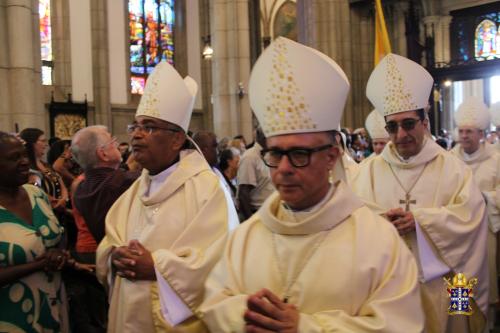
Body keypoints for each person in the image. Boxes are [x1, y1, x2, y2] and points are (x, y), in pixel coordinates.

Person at [201, 37, 423, 332]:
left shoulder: (377, 241)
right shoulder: (245, 237)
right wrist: (251, 319)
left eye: (299, 154)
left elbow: (401, 324)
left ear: (332, 156)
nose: (283, 169)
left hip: (450, 287)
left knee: (461, 305)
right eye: (275, 153)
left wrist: (304, 328)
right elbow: (213, 303)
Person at [352, 53, 489, 333]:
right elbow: (353, 220)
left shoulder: (454, 169)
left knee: (458, 323)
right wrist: (381, 222)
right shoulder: (366, 171)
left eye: (408, 124)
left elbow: (471, 223)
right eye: (393, 127)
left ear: (424, 122)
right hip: (388, 289)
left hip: (449, 282)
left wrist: (420, 221)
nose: (401, 134)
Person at [96, 61, 235, 332]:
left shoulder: (207, 190)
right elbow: (109, 243)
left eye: (148, 127)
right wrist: (114, 257)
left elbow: (219, 263)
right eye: (134, 126)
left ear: (176, 139)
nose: (136, 135)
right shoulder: (136, 188)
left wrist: (157, 267)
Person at [0, 132, 69, 332]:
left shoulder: (37, 194)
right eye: (14, 158)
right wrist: (36, 265)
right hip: (11, 315)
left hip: (53, 306)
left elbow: (55, 235)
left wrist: (60, 253)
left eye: (24, 156)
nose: (24, 163)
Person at [451, 97, 500, 327]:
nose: (464, 136)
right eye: (461, 131)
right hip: (456, 231)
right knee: (458, 277)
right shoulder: (448, 160)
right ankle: (459, 322)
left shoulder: (495, 160)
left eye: (469, 131)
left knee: (485, 278)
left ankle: (485, 324)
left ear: (481, 134)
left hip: (485, 230)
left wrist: (486, 198)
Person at [71, 126, 140, 244]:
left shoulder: (81, 189)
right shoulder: (123, 182)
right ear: (103, 154)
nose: (117, 144)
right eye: (112, 142)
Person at [192, 130, 239, 225]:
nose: (218, 151)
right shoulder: (196, 177)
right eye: (214, 146)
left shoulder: (216, 171)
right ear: (203, 150)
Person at [237, 126, 275, 219]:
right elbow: (243, 193)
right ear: (261, 137)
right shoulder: (249, 157)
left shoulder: (272, 154)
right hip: (258, 213)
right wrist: (251, 221)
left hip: (272, 212)